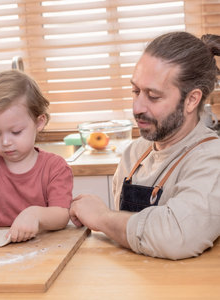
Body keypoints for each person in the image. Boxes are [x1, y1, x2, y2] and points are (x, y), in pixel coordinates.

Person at [69, 31, 220, 260]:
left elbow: (176, 236)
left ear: (191, 100)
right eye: (136, 91)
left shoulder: (211, 158)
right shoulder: (135, 153)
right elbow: (123, 232)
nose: (137, 107)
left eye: (153, 96)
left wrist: (101, 217)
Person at [0, 70, 73, 243]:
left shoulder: (55, 167)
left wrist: (36, 214)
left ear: (39, 122)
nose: (5, 142)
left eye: (16, 132)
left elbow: (62, 215)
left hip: (43, 253)